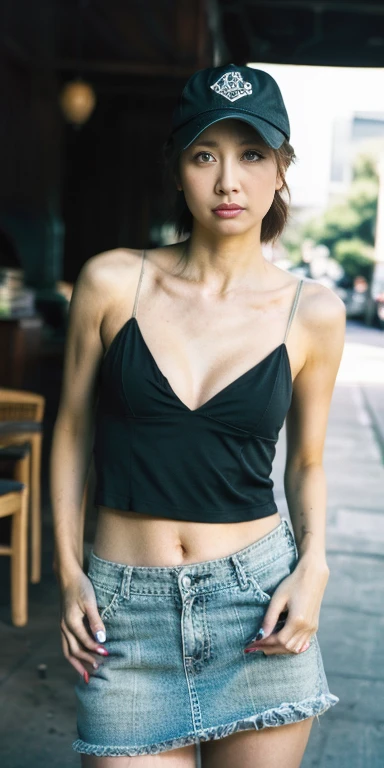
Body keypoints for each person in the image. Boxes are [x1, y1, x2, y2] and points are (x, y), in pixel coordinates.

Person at [50, 64, 345, 767]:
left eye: (252, 155)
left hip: (258, 608)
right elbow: (71, 433)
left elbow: (306, 462)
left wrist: (316, 568)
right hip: (124, 618)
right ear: (178, 169)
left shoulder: (315, 312)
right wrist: (68, 573)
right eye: (204, 154)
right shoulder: (112, 282)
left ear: (281, 171)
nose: (228, 181)